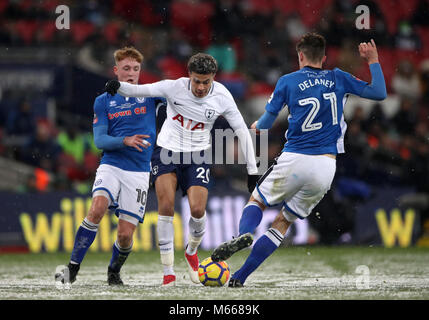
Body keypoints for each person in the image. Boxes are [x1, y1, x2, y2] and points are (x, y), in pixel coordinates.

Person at [210, 33, 387, 287]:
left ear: (300, 55)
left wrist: (257, 125)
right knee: (283, 222)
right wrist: (373, 60)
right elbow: (380, 92)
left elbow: (267, 123)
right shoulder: (338, 77)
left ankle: (243, 235)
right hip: (326, 166)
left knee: (257, 200)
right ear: (324, 58)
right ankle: (240, 277)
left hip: (295, 157)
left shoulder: (288, 81)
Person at [105, 53, 258, 286]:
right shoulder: (173, 87)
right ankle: (168, 271)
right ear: (189, 76)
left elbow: (241, 131)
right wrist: (118, 87)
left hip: (197, 155)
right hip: (166, 151)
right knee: (165, 206)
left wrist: (252, 169)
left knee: (197, 210)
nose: (201, 87)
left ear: (213, 78)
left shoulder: (222, 96)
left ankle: (191, 251)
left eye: (206, 82)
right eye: (197, 81)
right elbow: (140, 90)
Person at [56, 46, 165, 285]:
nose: (131, 73)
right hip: (112, 165)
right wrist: (124, 140)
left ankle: (114, 270)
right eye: (126, 68)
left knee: (125, 236)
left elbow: (176, 92)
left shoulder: (150, 94)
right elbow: (99, 140)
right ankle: (73, 267)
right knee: (97, 209)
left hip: (139, 171)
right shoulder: (103, 101)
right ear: (116, 71)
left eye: (135, 69)